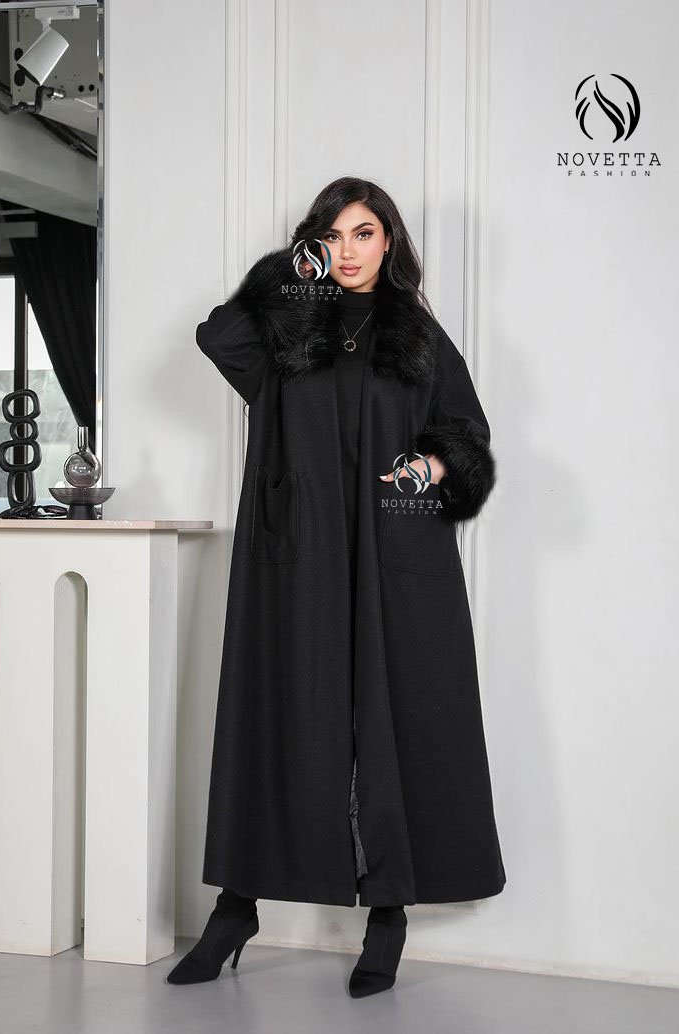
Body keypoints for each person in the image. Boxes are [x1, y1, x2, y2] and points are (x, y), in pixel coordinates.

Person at [167, 176, 506, 998]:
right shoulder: (291, 324)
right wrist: (294, 278)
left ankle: (388, 915)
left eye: (364, 234)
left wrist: (427, 471)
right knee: (279, 715)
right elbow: (218, 337)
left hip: (396, 554)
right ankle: (236, 908)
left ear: (389, 242)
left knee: (396, 721)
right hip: (299, 552)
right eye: (333, 237)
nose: (349, 252)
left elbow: (467, 438)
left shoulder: (417, 336)